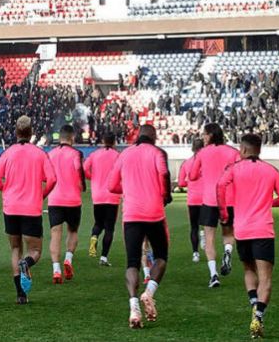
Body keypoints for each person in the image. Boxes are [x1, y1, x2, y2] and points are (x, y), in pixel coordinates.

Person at [217, 133, 279, 339]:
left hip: (242, 229)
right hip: (263, 229)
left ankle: (253, 305)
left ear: (243, 149)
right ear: (260, 150)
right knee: (265, 278)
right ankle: (258, 316)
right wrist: (268, 203)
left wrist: (224, 213)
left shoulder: (234, 169)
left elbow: (220, 185)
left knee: (248, 269)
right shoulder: (271, 170)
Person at [107, 124, 172, 329]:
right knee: (161, 256)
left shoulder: (125, 154)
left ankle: (134, 307)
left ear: (138, 136)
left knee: (132, 262)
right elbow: (163, 173)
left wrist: (127, 188)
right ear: (153, 138)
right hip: (154, 213)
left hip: (132, 214)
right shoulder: (157, 153)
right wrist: (165, 194)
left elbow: (111, 185)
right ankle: (149, 292)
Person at [0, 116, 57, 304]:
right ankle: (26, 264)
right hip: (31, 208)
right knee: (35, 250)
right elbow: (52, 180)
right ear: (30, 132)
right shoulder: (39, 154)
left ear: (16, 132)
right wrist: (41, 195)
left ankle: (21, 294)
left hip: (11, 208)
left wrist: (8, 191)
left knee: (15, 248)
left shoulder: (7, 153)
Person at [188, 123, 240, 288]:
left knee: (209, 237)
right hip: (228, 199)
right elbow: (240, 171)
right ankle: (227, 252)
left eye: (204, 134)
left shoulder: (203, 153)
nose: (203, 137)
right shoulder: (233, 152)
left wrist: (206, 171)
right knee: (228, 232)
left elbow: (193, 175)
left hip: (210, 200)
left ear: (210, 135)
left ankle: (213, 275)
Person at [47, 124, 85, 284]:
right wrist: (82, 186)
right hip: (72, 199)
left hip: (55, 199)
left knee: (55, 233)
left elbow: (47, 176)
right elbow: (79, 171)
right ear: (72, 137)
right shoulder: (76, 154)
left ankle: (56, 270)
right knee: (73, 231)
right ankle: (68, 259)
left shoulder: (50, 154)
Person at [84, 134, 121, 266]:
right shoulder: (117, 155)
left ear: (103, 141)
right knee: (109, 228)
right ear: (114, 142)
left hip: (97, 195)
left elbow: (84, 169)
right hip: (112, 195)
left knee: (98, 223)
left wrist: (92, 177)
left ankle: (94, 236)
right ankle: (104, 257)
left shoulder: (95, 154)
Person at [178, 138, 205, 263]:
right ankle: (203, 233)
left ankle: (195, 253)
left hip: (193, 199)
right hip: (206, 198)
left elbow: (181, 183)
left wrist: (190, 183)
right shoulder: (207, 163)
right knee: (207, 224)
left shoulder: (186, 163)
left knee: (193, 226)